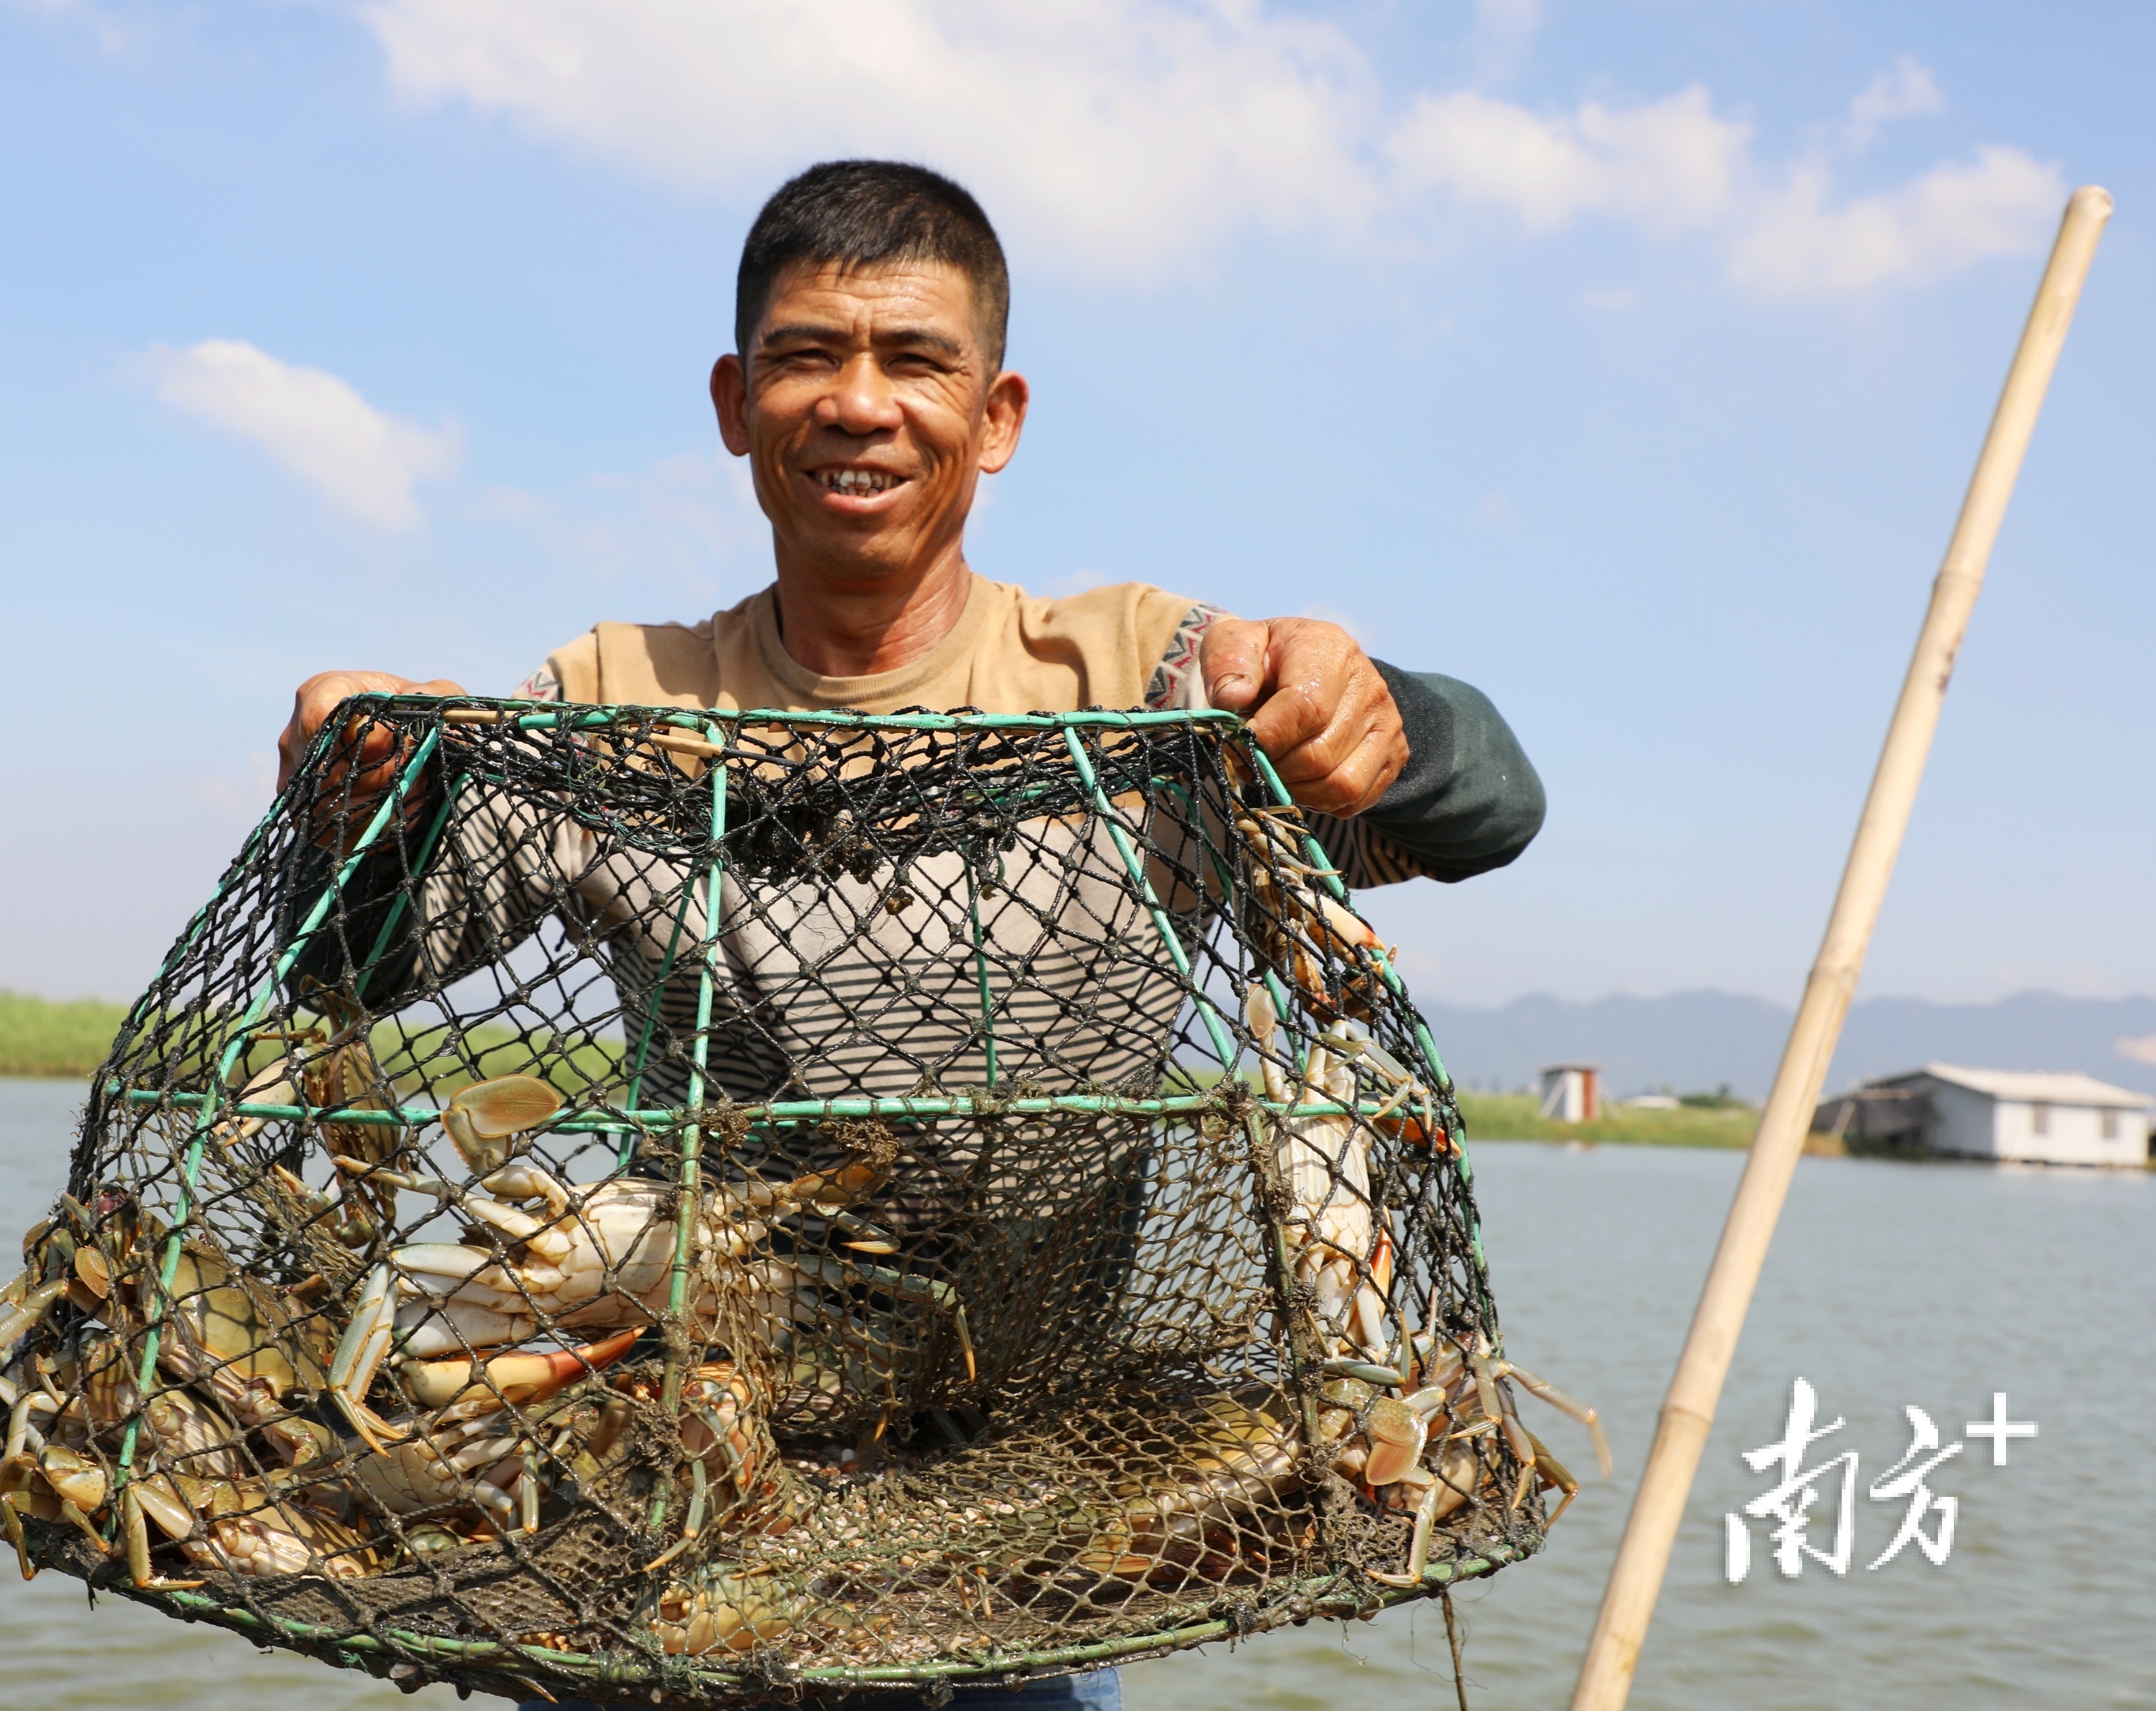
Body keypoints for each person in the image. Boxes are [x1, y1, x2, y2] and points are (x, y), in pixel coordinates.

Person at [277, 160, 1543, 1711]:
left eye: (914, 362)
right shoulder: (616, 701)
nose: (859, 404)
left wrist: (1376, 709)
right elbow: (354, 967)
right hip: (687, 1466)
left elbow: (1489, 809)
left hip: (1033, 1509)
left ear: (995, 416)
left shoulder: (1136, 681)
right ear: (736, 404)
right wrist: (358, 799)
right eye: (807, 357)